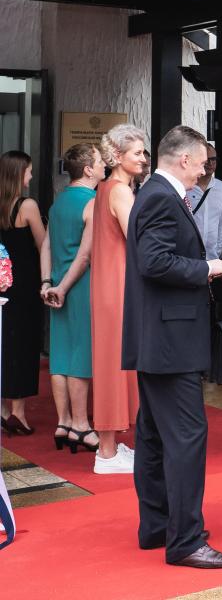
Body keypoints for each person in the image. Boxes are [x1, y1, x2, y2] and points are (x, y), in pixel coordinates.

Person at [122, 125, 222, 569]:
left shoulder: (155, 194)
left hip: (162, 337)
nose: (205, 171)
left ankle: (157, 526)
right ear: (184, 160)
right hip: (170, 340)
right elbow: (154, 262)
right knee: (187, 437)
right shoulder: (159, 198)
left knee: (153, 436)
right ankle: (186, 540)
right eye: (203, 163)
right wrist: (205, 268)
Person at [41, 143, 105, 452]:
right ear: (89, 169)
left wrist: (47, 283)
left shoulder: (58, 202)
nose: (105, 164)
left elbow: (47, 247)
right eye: (100, 161)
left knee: (60, 355)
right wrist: (64, 288)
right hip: (78, 287)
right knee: (80, 357)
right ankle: (81, 425)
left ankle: (63, 422)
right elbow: (85, 257)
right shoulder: (93, 202)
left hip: (54, 285)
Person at [90, 125, 145, 473]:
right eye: (138, 152)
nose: (143, 158)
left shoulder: (104, 188)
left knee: (112, 363)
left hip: (108, 282)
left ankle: (110, 448)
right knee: (115, 365)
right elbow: (136, 237)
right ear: (119, 156)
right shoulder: (120, 191)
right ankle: (107, 453)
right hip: (118, 284)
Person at [0, 151, 45, 436]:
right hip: (25, 285)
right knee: (24, 345)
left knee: (4, 343)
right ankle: (18, 412)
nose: (30, 176)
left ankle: (3, 409)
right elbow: (44, 244)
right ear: (19, 174)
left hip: (3, 283)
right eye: (28, 171)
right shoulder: (26, 205)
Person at [186, 144, 222, 261]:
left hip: (212, 257)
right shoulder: (185, 187)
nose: (210, 163)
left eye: (214, 159)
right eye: (207, 159)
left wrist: (218, 252)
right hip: (188, 256)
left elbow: (221, 223)